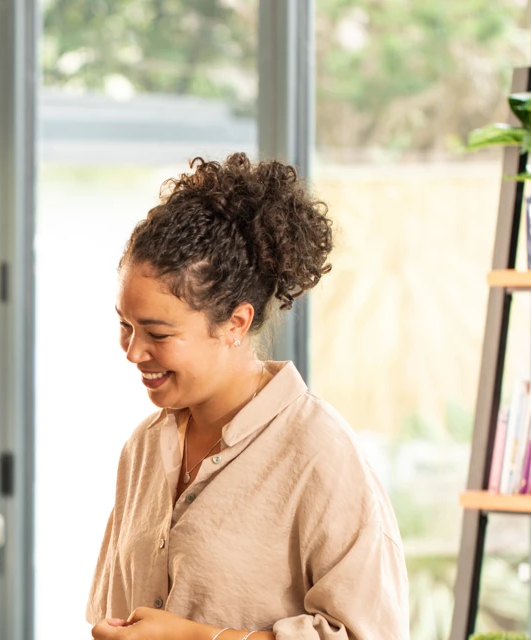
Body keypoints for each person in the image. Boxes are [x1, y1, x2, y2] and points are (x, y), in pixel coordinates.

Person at [88, 154, 409, 640]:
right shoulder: (144, 449)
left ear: (235, 323)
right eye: (125, 325)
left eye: (156, 332)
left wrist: (197, 637)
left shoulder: (321, 455)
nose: (134, 351)